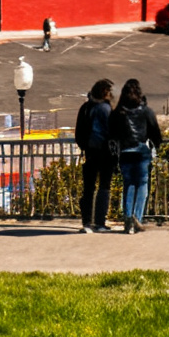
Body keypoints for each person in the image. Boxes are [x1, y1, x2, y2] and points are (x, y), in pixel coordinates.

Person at [110, 78, 165, 233]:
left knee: (128, 184)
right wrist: (156, 145)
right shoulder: (146, 111)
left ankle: (127, 216)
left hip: (125, 152)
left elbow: (112, 134)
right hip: (141, 151)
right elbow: (155, 132)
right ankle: (137, 218)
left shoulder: (118, 112)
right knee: (142, 185)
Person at [74, 79, 118, 233]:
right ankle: (100, 222)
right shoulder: (106, 109)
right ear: (105, 92)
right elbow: (113, 132)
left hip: (90, 153)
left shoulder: (85, 108)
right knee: (104, 187)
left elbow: (78, 133)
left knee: (88, 189)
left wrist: (85, 147)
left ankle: (87, 223)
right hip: (105, 154)